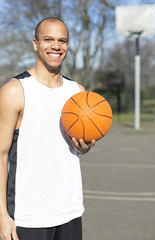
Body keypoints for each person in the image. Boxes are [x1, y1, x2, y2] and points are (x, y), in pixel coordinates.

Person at [0, 17, 95, 240]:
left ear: (68, 46)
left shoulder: (77, 92)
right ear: (35, 43)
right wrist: (2, 215)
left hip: (69, 211)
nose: (56, 46)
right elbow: (1, 156)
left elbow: (75, 148)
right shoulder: (15, 91)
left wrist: (84, 147)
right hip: (27, 217)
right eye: (48, 39)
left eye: (62, 40)